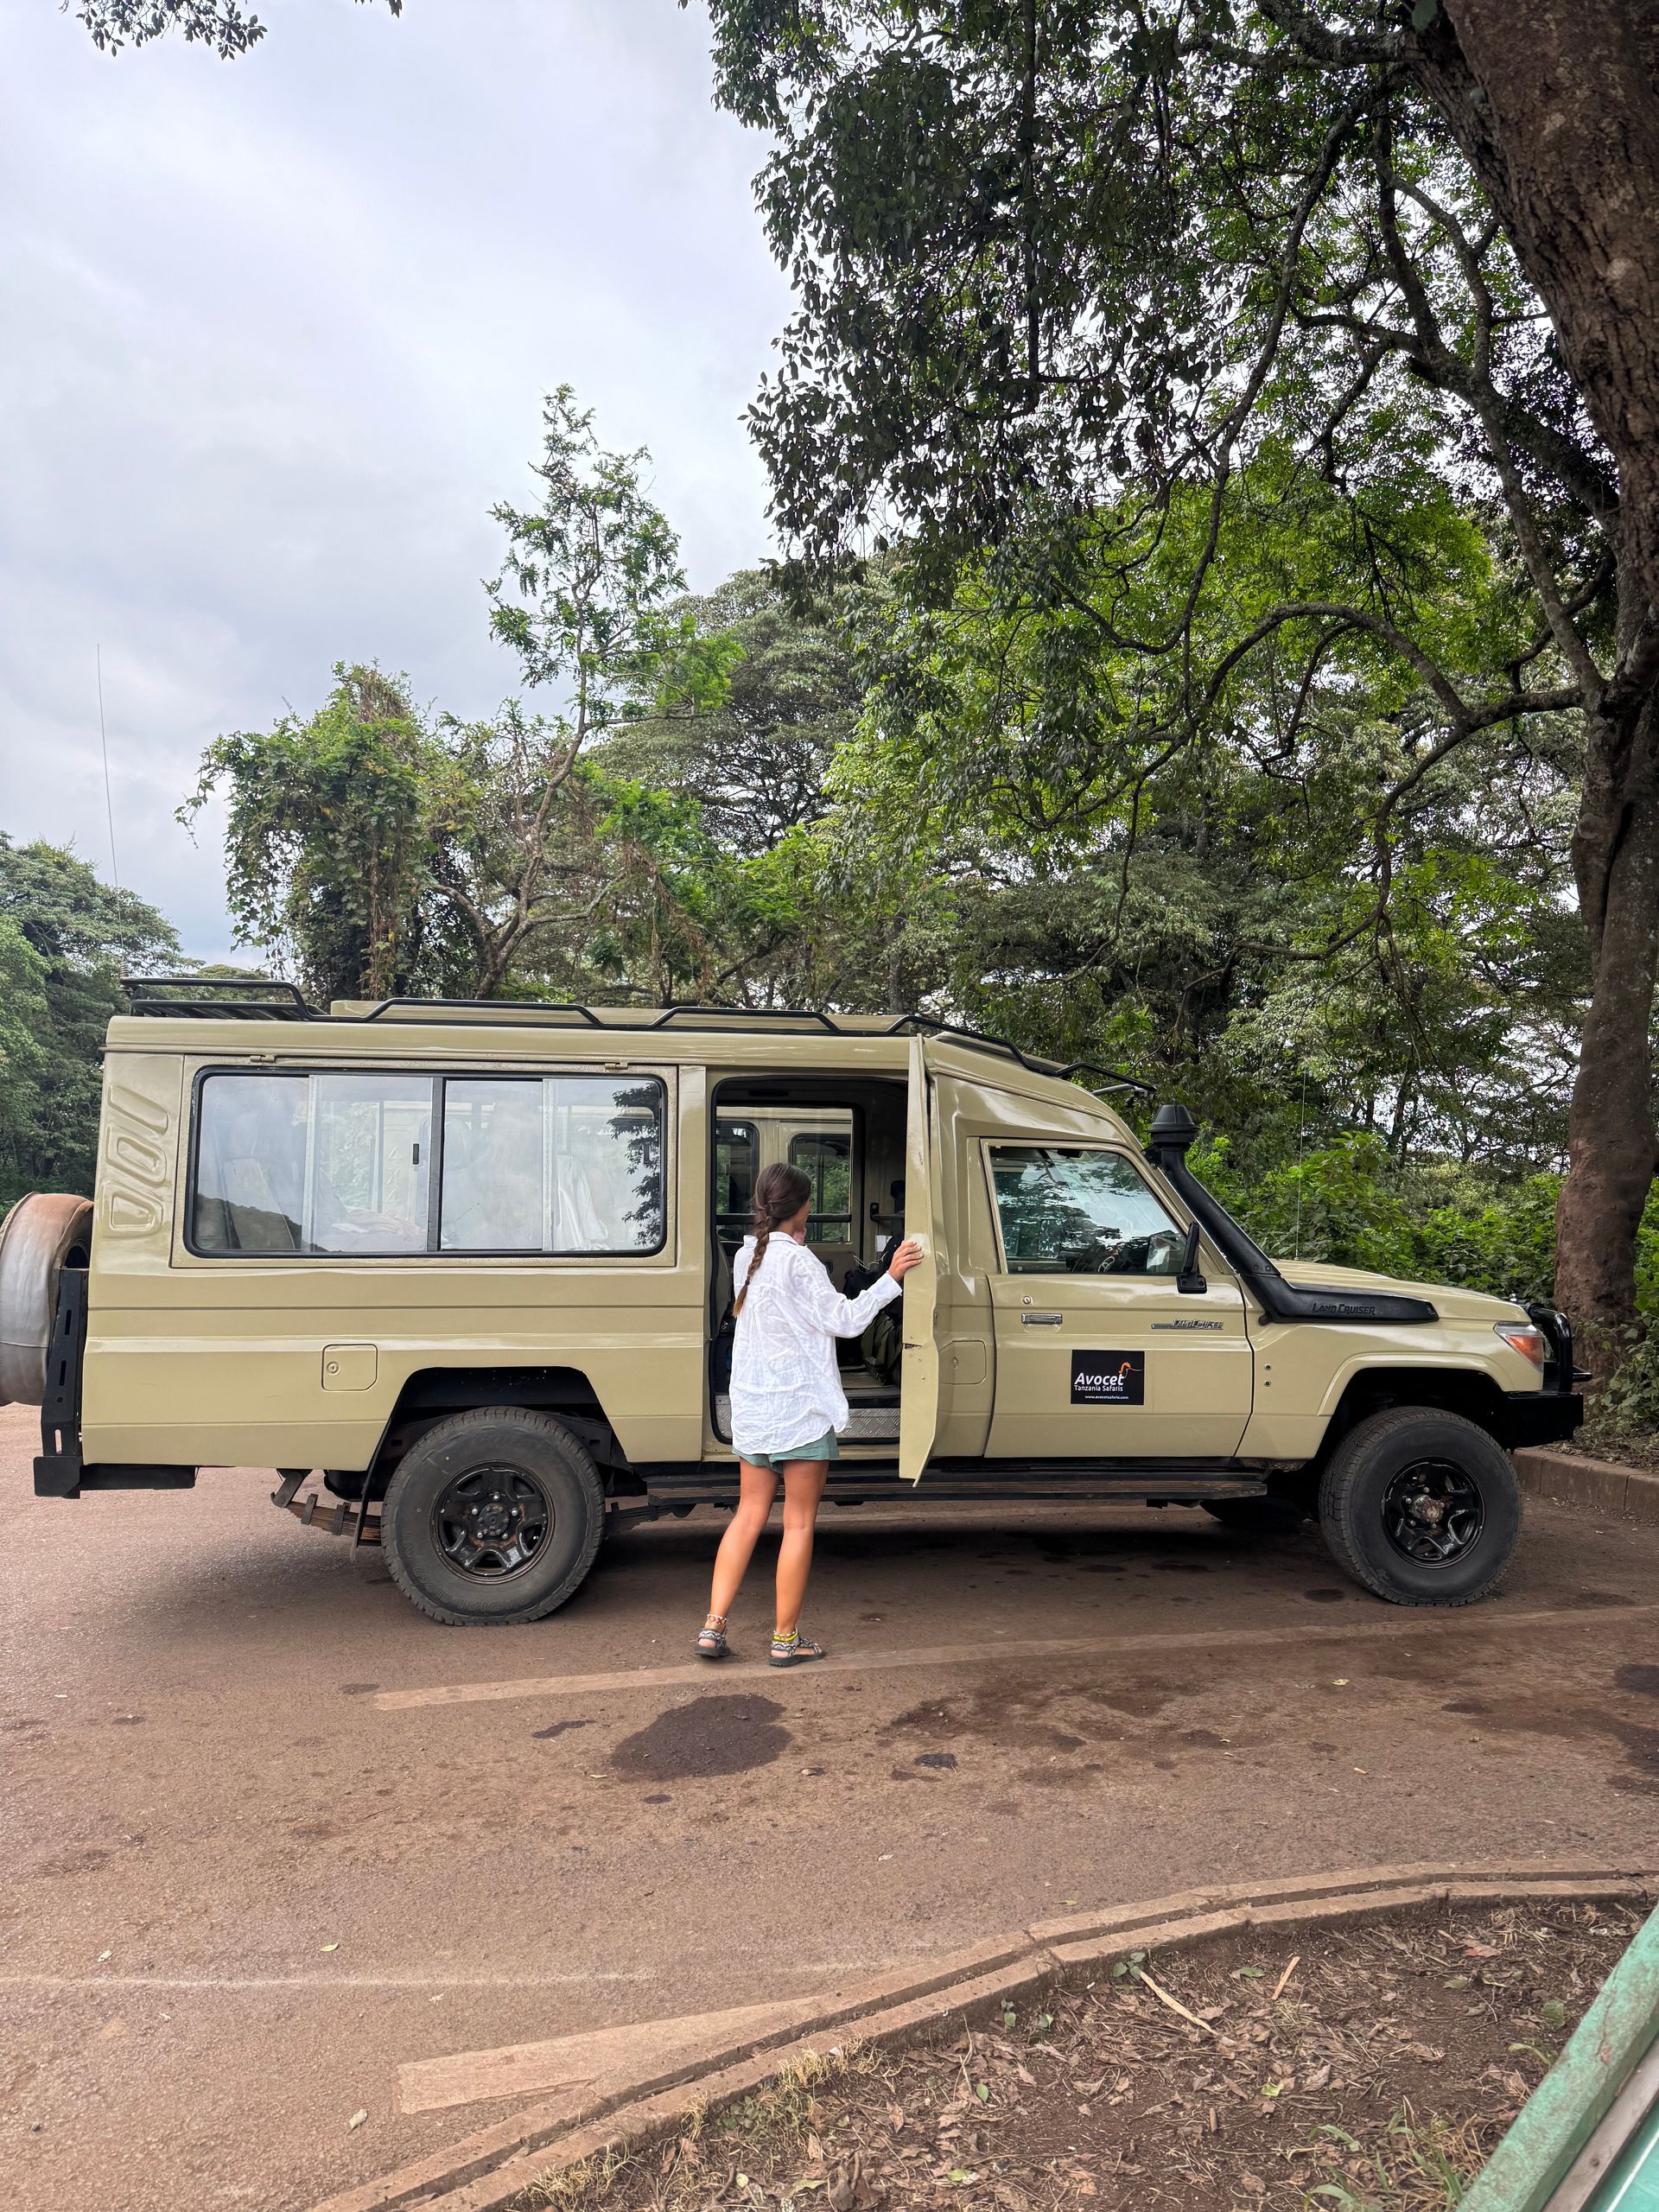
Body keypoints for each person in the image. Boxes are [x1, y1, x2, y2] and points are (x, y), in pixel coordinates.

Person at [698, 1160, 923, 1667]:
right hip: (800, 1410)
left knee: (747, 1516)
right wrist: (891, 1277)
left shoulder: (745, 1258)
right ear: (803, 1208)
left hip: (755, 1409)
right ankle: (784, 1640)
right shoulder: (802, 1263)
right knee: (798, 1525)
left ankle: (713, 1627)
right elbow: (843, 1322)